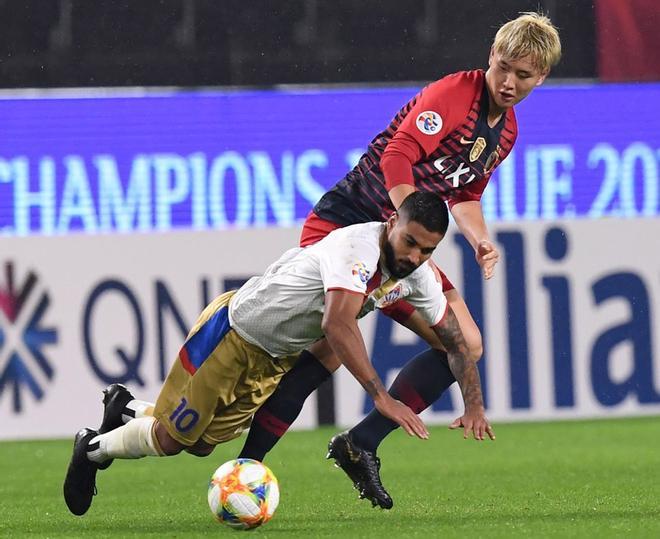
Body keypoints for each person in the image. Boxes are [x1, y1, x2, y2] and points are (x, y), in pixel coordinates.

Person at [230, 11, 561, 508]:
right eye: (503, 68)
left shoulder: (506, 130)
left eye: (523, 75)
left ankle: (359, 443)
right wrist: (410, 223)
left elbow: (466, 194)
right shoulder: (454, 95)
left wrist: (479, 239)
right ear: (490, 58)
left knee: (464, 346)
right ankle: (245, 467)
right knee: (327, 347)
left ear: (542, 77)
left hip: (401, 242)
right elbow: (396, 156)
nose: (509, 82)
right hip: (350, 224)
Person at [63, 192, 493, 516]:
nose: (413, 256)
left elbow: (456, 343)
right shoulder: (356, 250)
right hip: (234, 335)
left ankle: (126, 406)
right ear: (391, 220)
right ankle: (93, 449)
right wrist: (381, 396)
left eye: (426, 251)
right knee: (174, 440)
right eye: (410, 242)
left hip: (272, 356)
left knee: (200, 446)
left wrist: (473, 405)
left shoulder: (416, 275)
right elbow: (337, 324)